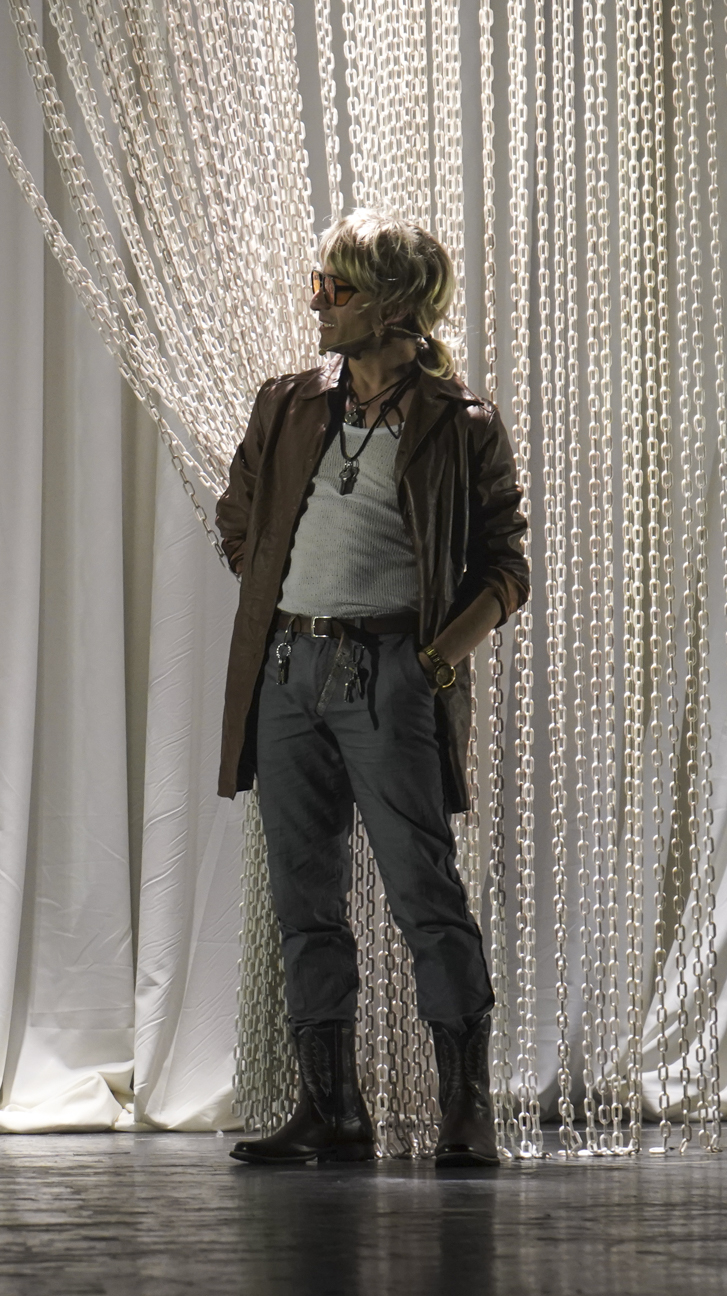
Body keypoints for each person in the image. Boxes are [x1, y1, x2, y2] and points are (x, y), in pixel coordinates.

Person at [215, 209, 530, 1168]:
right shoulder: (289, 402)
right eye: (319, 283)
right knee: (303, 899)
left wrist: (432, 661)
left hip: (388, 675)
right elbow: (238, 513)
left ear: (394, 304)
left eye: (338, 287)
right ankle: (331, 1108)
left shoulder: (460, 424)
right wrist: (277, 593)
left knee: (424, 891)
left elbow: (505, 567)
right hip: (285, 674)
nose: (317, 301)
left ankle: (466, 1108)